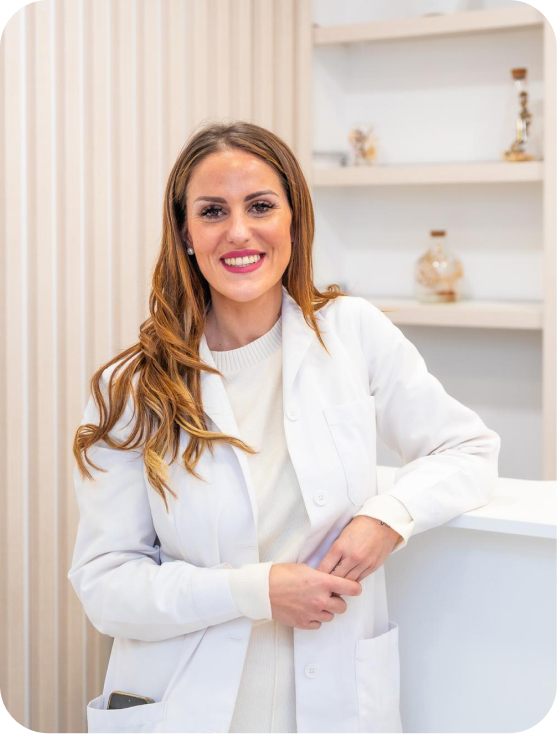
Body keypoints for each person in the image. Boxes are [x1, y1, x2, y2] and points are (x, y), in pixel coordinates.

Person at [68, 120, 501, 734]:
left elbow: (468, 448)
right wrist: (257, 591)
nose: (239, 232)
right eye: (212, 211)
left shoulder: (352, 332)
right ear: (186, 234)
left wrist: (389, 516)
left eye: (261, 206)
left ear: (293, 221)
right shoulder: (132, 387)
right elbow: (107, 588)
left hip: (335, 706)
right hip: (189, 708)